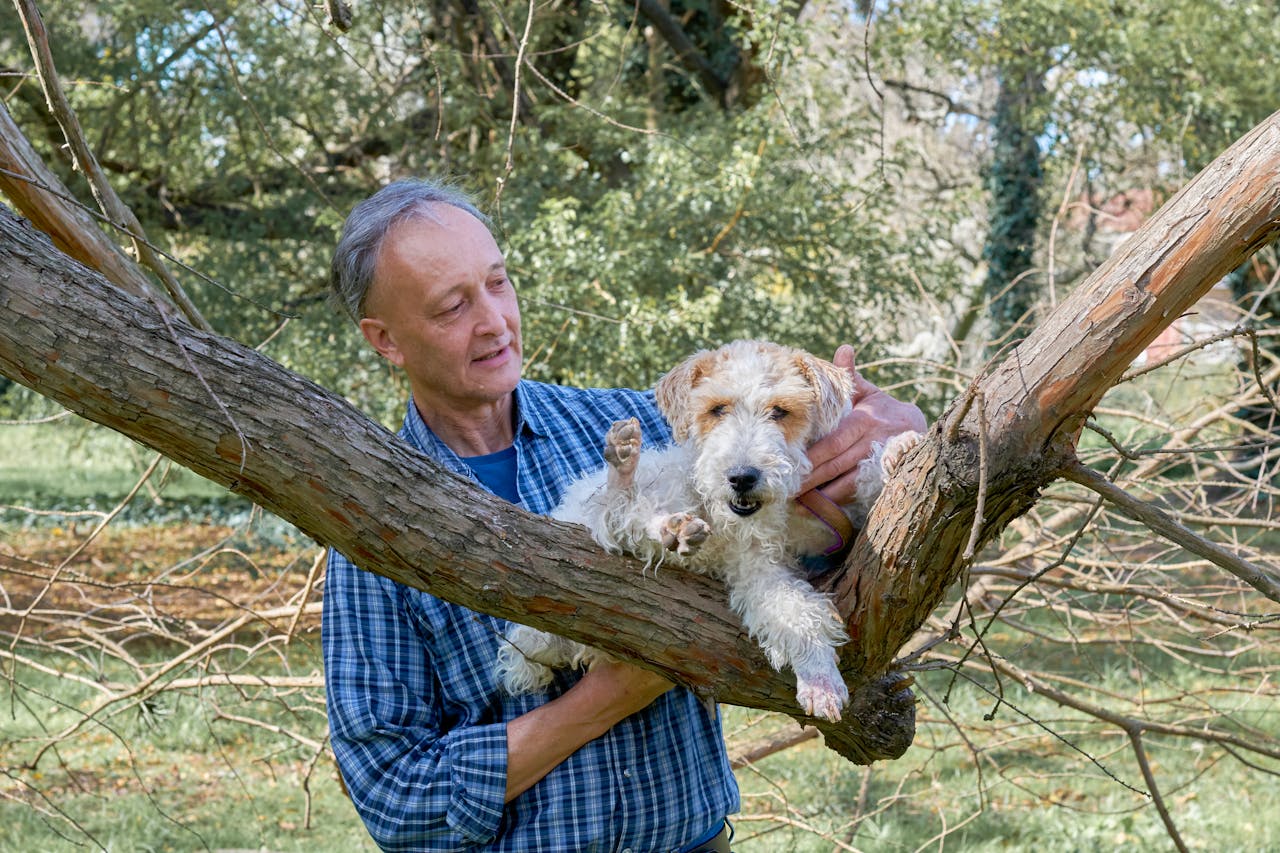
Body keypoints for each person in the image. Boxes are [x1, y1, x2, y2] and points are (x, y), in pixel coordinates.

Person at [322, 178, 927, 852]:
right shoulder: (372, 529)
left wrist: (897, 424)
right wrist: (605, 697)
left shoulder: (631, 424)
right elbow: (392, 794)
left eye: (497, 283)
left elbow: (781, 419)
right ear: (385, 339)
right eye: (451, 306)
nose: (494, 320)